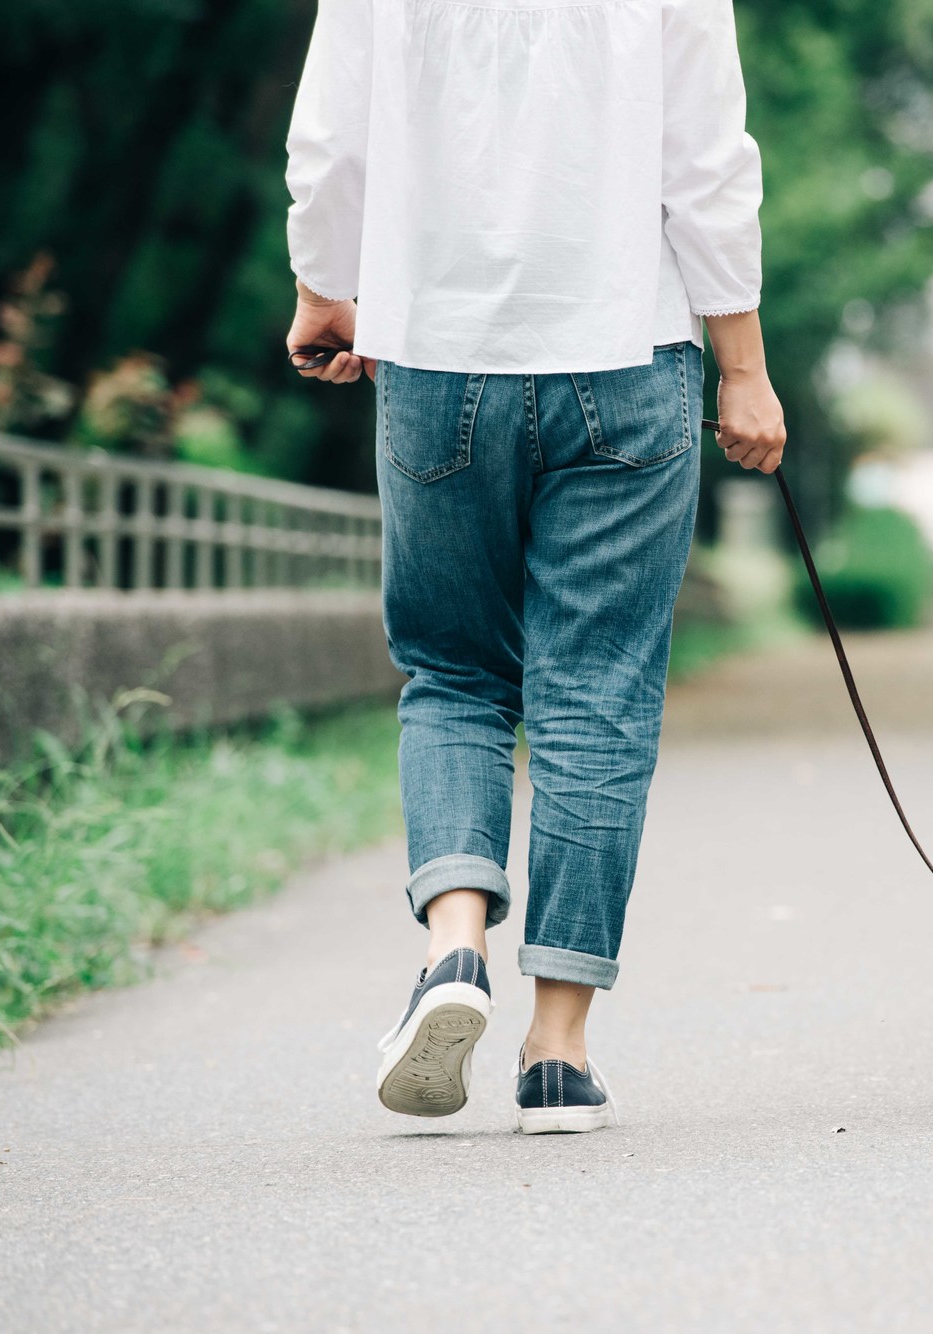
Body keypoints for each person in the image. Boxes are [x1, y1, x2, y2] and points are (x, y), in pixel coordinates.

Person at [283, 0, 786, 1133]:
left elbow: (329, 142)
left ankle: (453, 948)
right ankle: (557, 1049)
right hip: (626, 352)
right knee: (595, 684)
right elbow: (709, 158)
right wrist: (742, 366)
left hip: (436, 351)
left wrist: (324, 286)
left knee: (453, 670)